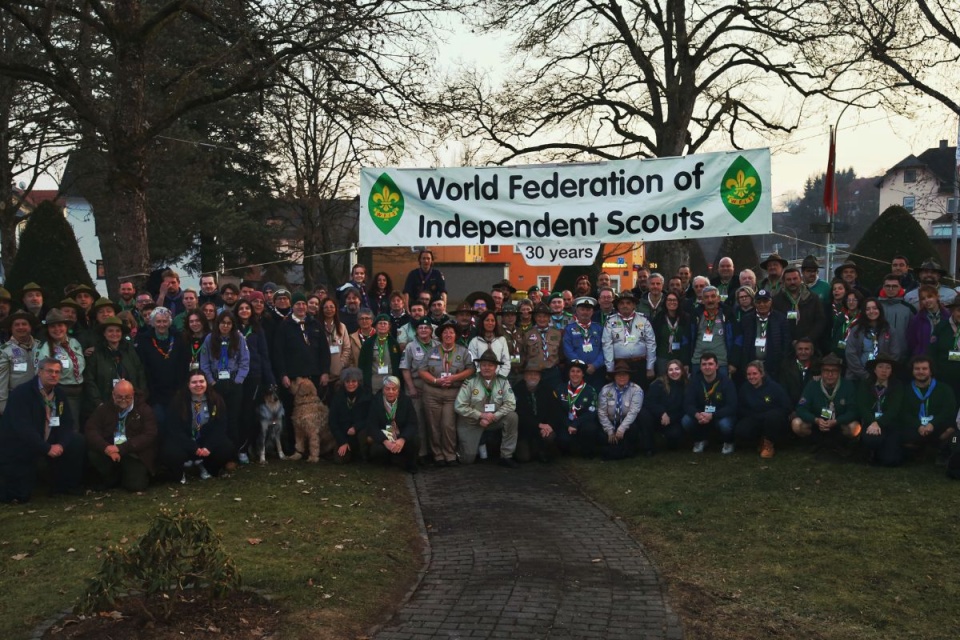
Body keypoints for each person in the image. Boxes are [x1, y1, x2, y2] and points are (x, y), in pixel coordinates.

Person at [0, 357, 85, 502]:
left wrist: (61, 445)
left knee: (77, 441)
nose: (53, 375)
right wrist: (45, 447)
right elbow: (23, 428)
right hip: (23, 445)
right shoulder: (22, 393)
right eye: (49, 371)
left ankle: (67, 485)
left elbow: (67, 424)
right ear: (39, 372)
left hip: (49, 438)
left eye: (57, 372)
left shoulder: (59, 394)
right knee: (19, 496)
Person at [419, 321, 475, 465]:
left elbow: (471, 369)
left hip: (452, 393)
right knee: (433, 425)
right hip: (432, 392)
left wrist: (454, 378)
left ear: (456, 335)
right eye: (445, 332)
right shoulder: (432, 351)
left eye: (451, 332)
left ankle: (449, 454)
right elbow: (422, 370)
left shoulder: (463, 351)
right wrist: (436, 381)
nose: (448, 335)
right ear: (441, 336)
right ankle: (438, 455)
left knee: (448, 425)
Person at [85, 380, 157, 491]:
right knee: (94, 454)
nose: (123, 400)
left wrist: (120, 448)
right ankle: (111, 478)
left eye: (127, 397)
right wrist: (106, 447)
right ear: (113, 395)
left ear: (133, 394)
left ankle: (126, 476)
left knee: (136, 486)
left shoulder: (144, 410)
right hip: (109, 451)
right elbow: (91, 429)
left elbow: (149, 435)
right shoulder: (104, 409)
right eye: (119, 397)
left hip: (133, 452)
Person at [200, 311, 250, 463]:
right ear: (218, 324)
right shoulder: (210, 338)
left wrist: (239, 380)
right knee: (217, 417)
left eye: (229, 323)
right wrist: (211, 381)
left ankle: (234, 453)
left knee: (234, 418)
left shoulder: (239, 338)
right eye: (223, 323)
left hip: (234, 381)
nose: (225, 326)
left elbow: (245, 360)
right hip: (216, 382)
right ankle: (216, 452)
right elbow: (204, 362)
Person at [162, 373, 233, 481]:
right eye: (194, 382)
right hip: (186, 440)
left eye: (201, 381)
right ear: (188, 385)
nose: (198, 385)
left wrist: (208, 447)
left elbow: (220, 426)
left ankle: (207, 468)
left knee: (227, 447)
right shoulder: (178, 401)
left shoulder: (216, 399)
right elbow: (174, 429)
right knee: (171, 452)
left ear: (206, 383)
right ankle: (181, 471)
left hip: (204, 440)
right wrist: (192, 447)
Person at [454, 349, 519, 467]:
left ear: (496, 367)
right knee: (467, 460)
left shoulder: (503, 381)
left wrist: (494, 416)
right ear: (480, 366)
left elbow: (511, 404)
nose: (487, 368)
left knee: (512, 417)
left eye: (490, 365)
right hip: (471, 422)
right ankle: (467, 446)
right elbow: (459, 405)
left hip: (493, 419)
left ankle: (506, 456)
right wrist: (481, 416)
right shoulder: (470, 381)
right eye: (484, 365)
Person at [82, 316, 148, 417]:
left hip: (130, 401)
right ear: (104, 333)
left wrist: (140, 397)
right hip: (105, 402)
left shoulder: (129, 351)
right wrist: (98, 402)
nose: (114, 334)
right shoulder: (96, 353)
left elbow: (139, 372)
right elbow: (89, 379)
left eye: (118, 331)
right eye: (110, 331)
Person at [791, 353, 861, 445]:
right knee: (796, 424)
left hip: (839, 424)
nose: (830, 374)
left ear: (839, 372)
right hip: (816, 424)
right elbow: (801, 408)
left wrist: (837, 421)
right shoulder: (812, 385)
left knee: (855, 427)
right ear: (821, 372)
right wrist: (816, 420)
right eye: (826, 370)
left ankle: (843, 444)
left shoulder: (848, 385)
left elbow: (853, 411)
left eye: (834, 371)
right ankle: (811, 443)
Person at [235, 299, 275, 463]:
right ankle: (234, 448)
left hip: (254, 375)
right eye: (241, 308)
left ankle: (245, 448)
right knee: (236, 412)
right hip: (235, 376)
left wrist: (270, 378)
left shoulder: (258, 329)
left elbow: (264, 355)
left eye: (247, 308)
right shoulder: (232, 328)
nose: (244, 310)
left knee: (249, 413)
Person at [899, 355, 957, 463]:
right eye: (917, 369)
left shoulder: (944, 389)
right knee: (901, 433)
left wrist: (932, 424)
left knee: (950, 431)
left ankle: (941, 452)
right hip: (916, 427)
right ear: (912, 371)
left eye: (924, 368)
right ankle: (917, 451)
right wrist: (918, 425)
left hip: (937, 426)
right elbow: (903, 413)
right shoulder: (905, 390)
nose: (920, 372)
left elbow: (949, 410)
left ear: (931, 371)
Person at [34, 308, 85, 425]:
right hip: (59, 392)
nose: (57, 329)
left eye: (60, 325)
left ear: (66, 326)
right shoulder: (44, 347)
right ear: (48, 329)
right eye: (53, 326)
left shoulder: (74, 343)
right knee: (64, 426)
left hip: (80, 392)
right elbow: (40, 374)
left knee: (77, 425)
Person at [682, 352, 738, 454]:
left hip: (720, 415)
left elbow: (732, 406)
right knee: (686, 421)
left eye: (710, 364)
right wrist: (697, 414)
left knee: (725, 425)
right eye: (704, 364)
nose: (707, 367)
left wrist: (712, 415)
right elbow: (687, 404)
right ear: (700, 367)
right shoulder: (694, 382)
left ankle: (728, 442)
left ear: (717, 366)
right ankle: (700, 440)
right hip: (701, 416)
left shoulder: (726, 382)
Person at [735, 361, 792, 458]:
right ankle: (759, 441)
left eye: (755, 373)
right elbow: (741, 408)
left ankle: (769, 444)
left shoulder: (774, 387)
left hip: (772, 419)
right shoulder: (744, 388)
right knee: (741, 430)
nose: (751, 377)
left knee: (772, 418)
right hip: (755, 417)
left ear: (762, 374)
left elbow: (786, 406)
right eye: (749, 374)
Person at [400, 317, 438, 461]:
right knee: (418, 420)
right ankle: (421, 453)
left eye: (426, 327)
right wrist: (411, 388)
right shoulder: (410, 346)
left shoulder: (438, 345)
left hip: (434, 385)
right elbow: (405, 368)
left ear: (431, 330)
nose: (423, 330)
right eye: (420, 328)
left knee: (433, 420)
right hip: (416, 385)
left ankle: (435, 452)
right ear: (416, 331)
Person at [857, 353, 906, 466]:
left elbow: (895, 408)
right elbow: (862, 406)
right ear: (874, 369)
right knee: (871, 440)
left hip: (889, 424)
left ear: (891, 370)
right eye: (880, 367)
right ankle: (870, 451)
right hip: (870, 423)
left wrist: (879, 422)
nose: (884, 370)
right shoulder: (866, 384)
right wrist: (873, 422)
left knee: (890, 461)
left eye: (888, 368)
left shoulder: (897, 386)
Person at [602, 290, 656, 386]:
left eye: (628, 303)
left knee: (641, 392)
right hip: (619, 365)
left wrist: (650, 367)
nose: (625, 305)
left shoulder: (644, 320)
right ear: (617, 306)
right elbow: (607, 345)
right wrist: (610, 368)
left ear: (634, 305)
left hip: (640, 364)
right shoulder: (610, 321)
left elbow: (651, 344)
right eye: (621, 303)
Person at [365, 376, 418, 473]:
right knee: (377, 451)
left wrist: (402, 439)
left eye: (394, 389)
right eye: (387, 389)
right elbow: (372, 426)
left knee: (415, 441)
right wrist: (385, 441)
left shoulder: (406, 401)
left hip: (400, 433)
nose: (391, 392)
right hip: (384, 434)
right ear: (383, 390)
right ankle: (387, 463)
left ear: (398, 390)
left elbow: (412, 423)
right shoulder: (376, 402)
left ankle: (409, 465)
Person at [596, 360, 649, 459]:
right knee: (601, 437)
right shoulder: (606, 389)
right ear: (614, 377)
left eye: (625, 375)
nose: (622, 377)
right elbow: (601, 412)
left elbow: (634, 411)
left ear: (629, 376)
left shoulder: (636, 390)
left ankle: (627, 450)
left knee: (633, 431)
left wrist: (622, 428)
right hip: (610, 423)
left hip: (627, 424)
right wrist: (609, 430)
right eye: (619, 375)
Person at [845, 298, 905, 382]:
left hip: (883, 376)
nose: (871, 311)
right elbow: (850, 353)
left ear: (880, 310)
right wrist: (864, 374)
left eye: (875, 308)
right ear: (864, 312)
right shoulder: (856, 330)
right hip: (858, 375)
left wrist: (883, 372)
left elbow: (895, 353)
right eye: (867, 309)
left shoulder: (889, 330)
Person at [736, 289, 789, 382]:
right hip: (751, 364)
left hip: (773, 365)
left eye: (765, 301)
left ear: (771, 302)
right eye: (759, 302)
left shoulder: (780, 318)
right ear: (754, 303)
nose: (762, 305)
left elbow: (786, 342)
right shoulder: (747, 319)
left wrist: (782, 362)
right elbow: (741, 342)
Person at [511, 363, 559, 463]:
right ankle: (533, 448)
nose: (533, 377)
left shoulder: (548, 389)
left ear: (540, 377)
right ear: (524, 376)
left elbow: (555, 410)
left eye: (536, 374)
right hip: (524, 430)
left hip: (543, 429)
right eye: (530, 374)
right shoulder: (517, 390)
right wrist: (538, 425)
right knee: (524, 458)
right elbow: (519, 413)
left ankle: (543, 451)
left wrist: (550, 425)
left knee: (550, 437)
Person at [773, 267, 827, 347]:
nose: (792, 282)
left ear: (801, 279)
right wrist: (789, 341)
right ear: (784, 281)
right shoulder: (777, 300)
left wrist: (809, 339)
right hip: (786, 346)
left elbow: (820, 321)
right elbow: (775, 324)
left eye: (795, 279)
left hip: (809, 345)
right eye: (789, 279)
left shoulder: (813, 298)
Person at [688, 286, 736, 377]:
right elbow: (688, 338)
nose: (710, 300)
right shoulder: (695, 314)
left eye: (713, 296)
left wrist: (733, 362)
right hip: (698, 361)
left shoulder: (727, 314)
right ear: (702, 300)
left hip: (721, 361)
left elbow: (736, 339)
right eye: (706, 297)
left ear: (718, 298)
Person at [0, 310, 40, 414]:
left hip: (40, 398)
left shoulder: (40, 346)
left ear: (30, 327)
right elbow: (1, 382)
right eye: (17, 325)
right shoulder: (5, 350)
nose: (21, 327)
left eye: (24, 324)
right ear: (11, 329)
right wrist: (3, 408)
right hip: (17, 398)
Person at [329, 367, 372, 463]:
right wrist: (342, 441)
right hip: (344, 434)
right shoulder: (337, 398)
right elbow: (333, 422)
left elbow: (370, 418)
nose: (350, 384)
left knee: (363, 436)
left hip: (360, 432)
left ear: (358, 382)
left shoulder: (366, 396)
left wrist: (356, 427)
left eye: (353, 381)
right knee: (339, 460)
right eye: (347, 381)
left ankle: (363, 455)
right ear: (343, 383)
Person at [643, 359, 686, 453]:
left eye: (677, 369)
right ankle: (648, 447)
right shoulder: (658, 384)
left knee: (674, 437)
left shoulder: (686, 385)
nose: (674, 372)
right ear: (667, 372)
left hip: (673, 419)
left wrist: (671, 418)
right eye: (671, 370)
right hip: (656, 417)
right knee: (644, 415)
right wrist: (662, 413)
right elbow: (648, 402)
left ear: (682, 371)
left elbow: (685, 407)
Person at [562, 297, 605, 389]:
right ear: (576, 311)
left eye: (588, 309)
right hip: (577, 371)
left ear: (592, 311)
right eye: (582, 309)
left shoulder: (598, 328)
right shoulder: (569, 329)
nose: (585, 312)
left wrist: (595, 365)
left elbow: (604, 349)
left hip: (596, 371)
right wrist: (581, 365)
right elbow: (568, 350)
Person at [520, 304, 564, 389]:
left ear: (549, 318)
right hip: (534, 372)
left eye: (545, 316)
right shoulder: (527, 334)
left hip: (553, 372)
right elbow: (524, 353)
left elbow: (561, 352)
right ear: (535, 318)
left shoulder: (557, 333)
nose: (542, 319)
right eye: (539, 316)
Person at [358, 313, 402, 393]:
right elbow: (362, 363)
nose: (382, 325)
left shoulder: (394, 343)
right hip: (374, 380)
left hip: (390, 379)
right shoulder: (368, 343)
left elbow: (398, 362)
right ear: (375, 326)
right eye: (380, 323)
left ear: (389, 326)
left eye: (385, 323)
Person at [652, 292, 692, 375]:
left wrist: (685, 361)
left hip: (680, 357)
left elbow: (688, 341)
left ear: (678, 302)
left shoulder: (686, 318)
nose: (672, 302)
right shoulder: (659, 318)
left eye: (674, 300)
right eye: (669, 300)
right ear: (665, 302)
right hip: (662, 357)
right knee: (663, 382)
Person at [906, 284, 947, 357]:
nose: (926, 300)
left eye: (930, 296)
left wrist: (953, 361)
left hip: (944, 360)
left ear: (937, 296)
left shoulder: (948, 317)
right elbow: (912, 342)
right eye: (923, 298)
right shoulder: (917, 320)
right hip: (924, 360)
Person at [779, 337, 821, 408]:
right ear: (796, 351)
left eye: (806, 349)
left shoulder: (819, 368)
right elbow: (783, 392)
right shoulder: (786, 367)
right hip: (790, 409)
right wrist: (791, 410)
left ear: (812, 351)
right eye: (800, 349)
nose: (803, 352)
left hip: (812, 409)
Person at [468, 310, 511, 378]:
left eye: (492, 320)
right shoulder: (475, 341)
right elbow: (473, 363)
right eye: (487, 320)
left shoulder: (502, 340)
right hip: (479, 378)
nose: (490, 323)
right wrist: (483, 377)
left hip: (499, 378)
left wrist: (499, 377)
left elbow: (506, 362)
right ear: (482, 322)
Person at [878, 273, 916, 348]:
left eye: (894, 286)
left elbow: (914, 333)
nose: (891, 289)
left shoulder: (908, 308)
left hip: (902, 353)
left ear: (900, 288)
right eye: (888, 286)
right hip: (877, 352)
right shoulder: (875, 306)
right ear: (883, 287)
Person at [320, 297, 351, 388]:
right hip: (322, 374)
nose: (329, 309)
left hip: (338, 373)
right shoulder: (317, 326)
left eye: (331, 307)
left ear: (336, 309)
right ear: (322, 309)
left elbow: (347, 348)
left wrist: (341, 364)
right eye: (326, 307)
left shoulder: (342, 327)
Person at [829, 289, 862, 359]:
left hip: (855, 355)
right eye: (848, 300)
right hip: (839, 353)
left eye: (854, 300)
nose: (851, 302)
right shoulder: (841, 317)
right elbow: (834, 334)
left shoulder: (862, 319)